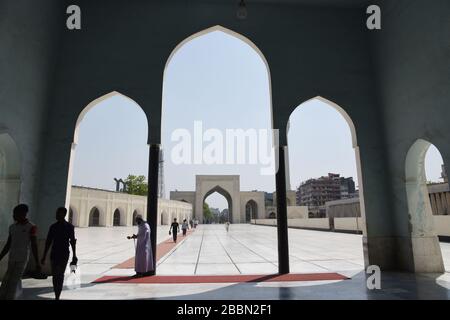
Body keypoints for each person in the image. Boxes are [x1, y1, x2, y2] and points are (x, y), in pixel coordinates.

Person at [0, 204, 41, 300]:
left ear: (24, 213)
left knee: (14, 280)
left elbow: (34, 245)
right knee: (6, 279)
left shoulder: (31, 227)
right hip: (12, 257)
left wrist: (37, 262)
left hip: (22, 258)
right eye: (13, 214)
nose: (13, 216)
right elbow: (8, 244)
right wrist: (1, 256)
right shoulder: (12, 227)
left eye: (16, 213)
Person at [41, 207, 77, 300]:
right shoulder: (53, 227)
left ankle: (57, 295)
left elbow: (72, 241)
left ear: (63, 214)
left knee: (59, 274)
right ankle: (57, 292)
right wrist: (44, 256)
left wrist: (74, 255)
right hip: (55, 253)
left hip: (64, 253)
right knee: (55, 275)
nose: (56, 215)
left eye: (58, 213)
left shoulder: (69, 227)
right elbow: (48, 241)